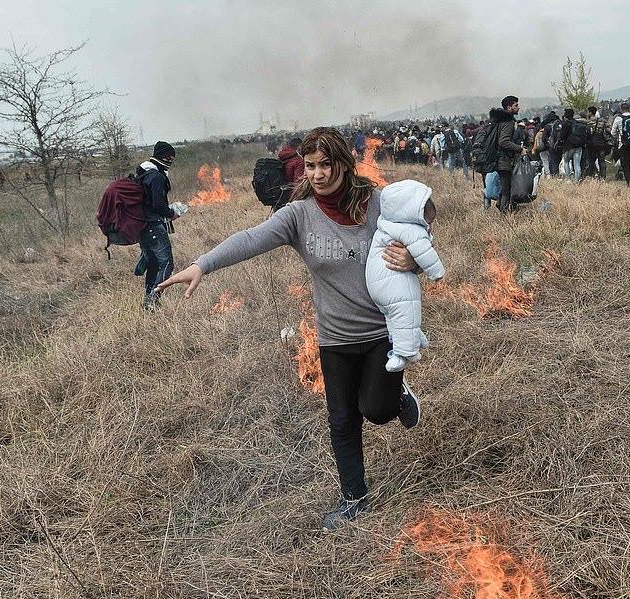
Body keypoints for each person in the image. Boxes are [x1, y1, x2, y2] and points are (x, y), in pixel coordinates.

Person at [154, 127, 422, 531]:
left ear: (343, 164)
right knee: (341, 420)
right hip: (334, 337)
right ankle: (353, 498)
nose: (317, 174)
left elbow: (422, 222)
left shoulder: (377, 203)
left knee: (377, 411)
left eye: (325, 164)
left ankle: (396, 395)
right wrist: (201, 265)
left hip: (381, 332)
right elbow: (250, 238)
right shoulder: (299, 215)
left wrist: (412, 259)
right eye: (310, 166)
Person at [365, 180, 444, 372]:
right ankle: (404, 352)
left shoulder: (385, 223)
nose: (429, 226)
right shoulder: (411, 230)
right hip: (394, 283)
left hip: (375, 286)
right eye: (428, 221)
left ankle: (412, 336)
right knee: (404, 311)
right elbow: (425, 253)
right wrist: (437, 273)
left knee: (393, 318)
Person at [136, 141, 180, 309]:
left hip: (143, 226)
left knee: (154, 264)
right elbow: (158, 205)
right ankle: (153, 300)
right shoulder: (156, 177)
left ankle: (148, 300)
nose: (170, 162)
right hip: (153, 226)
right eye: (170, 158)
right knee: (166, 264)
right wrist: (171, 213)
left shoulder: (145, 173)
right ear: (163, 156)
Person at [490, 95, 524, 212]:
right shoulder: (508, 121)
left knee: (505, 186)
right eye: (516, 105)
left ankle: (501, 205)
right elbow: (503, 141)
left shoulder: (498, 120)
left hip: (497, 158)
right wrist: (519, 149)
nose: (518, 107)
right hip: (503, 159)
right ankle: (504, 214)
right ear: (509, 107)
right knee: (506, 189)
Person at [611, 103, 630, 185]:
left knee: (625, 164)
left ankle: (629, 182)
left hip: (623, 144)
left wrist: (618, 137)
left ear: (621, 109)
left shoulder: (618, 118)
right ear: (629, 109)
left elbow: (613, 133)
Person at [583, 105, 610, 180]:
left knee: (591, 161)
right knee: (602, 161)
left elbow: (586, 134)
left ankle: (592, 176)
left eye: (588, 112)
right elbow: (608, 131)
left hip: (591, 145)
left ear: (590, 112)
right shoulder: (602, 121)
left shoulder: (587, 122)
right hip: (601, 144)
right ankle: (603, 177)